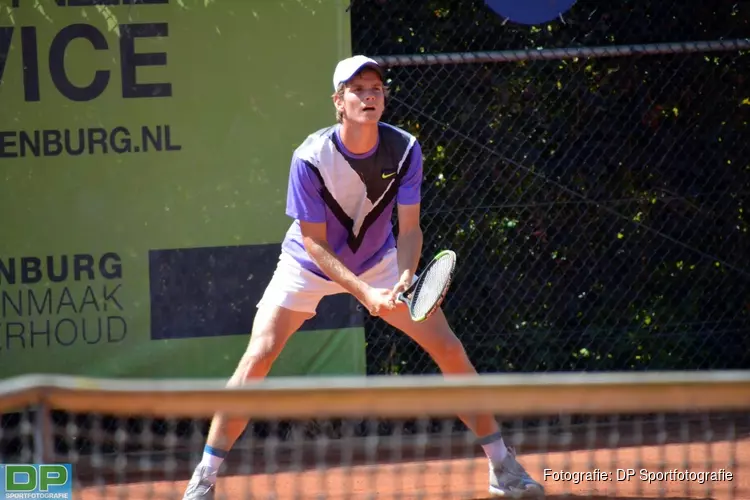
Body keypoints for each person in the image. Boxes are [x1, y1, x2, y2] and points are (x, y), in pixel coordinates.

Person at [182, 55, 545, 499]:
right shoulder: (310, 158)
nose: (369, 96)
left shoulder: (406, 149)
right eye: (357, 90)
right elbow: (314, 243)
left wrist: (407, 274)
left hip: (380, 260)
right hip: (307, 264)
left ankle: (502, 467)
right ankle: (204, 479)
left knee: (449, 348)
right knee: (257, 357)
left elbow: (409, 229)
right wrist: (365, 294)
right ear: (339, 102)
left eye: (375, 88)